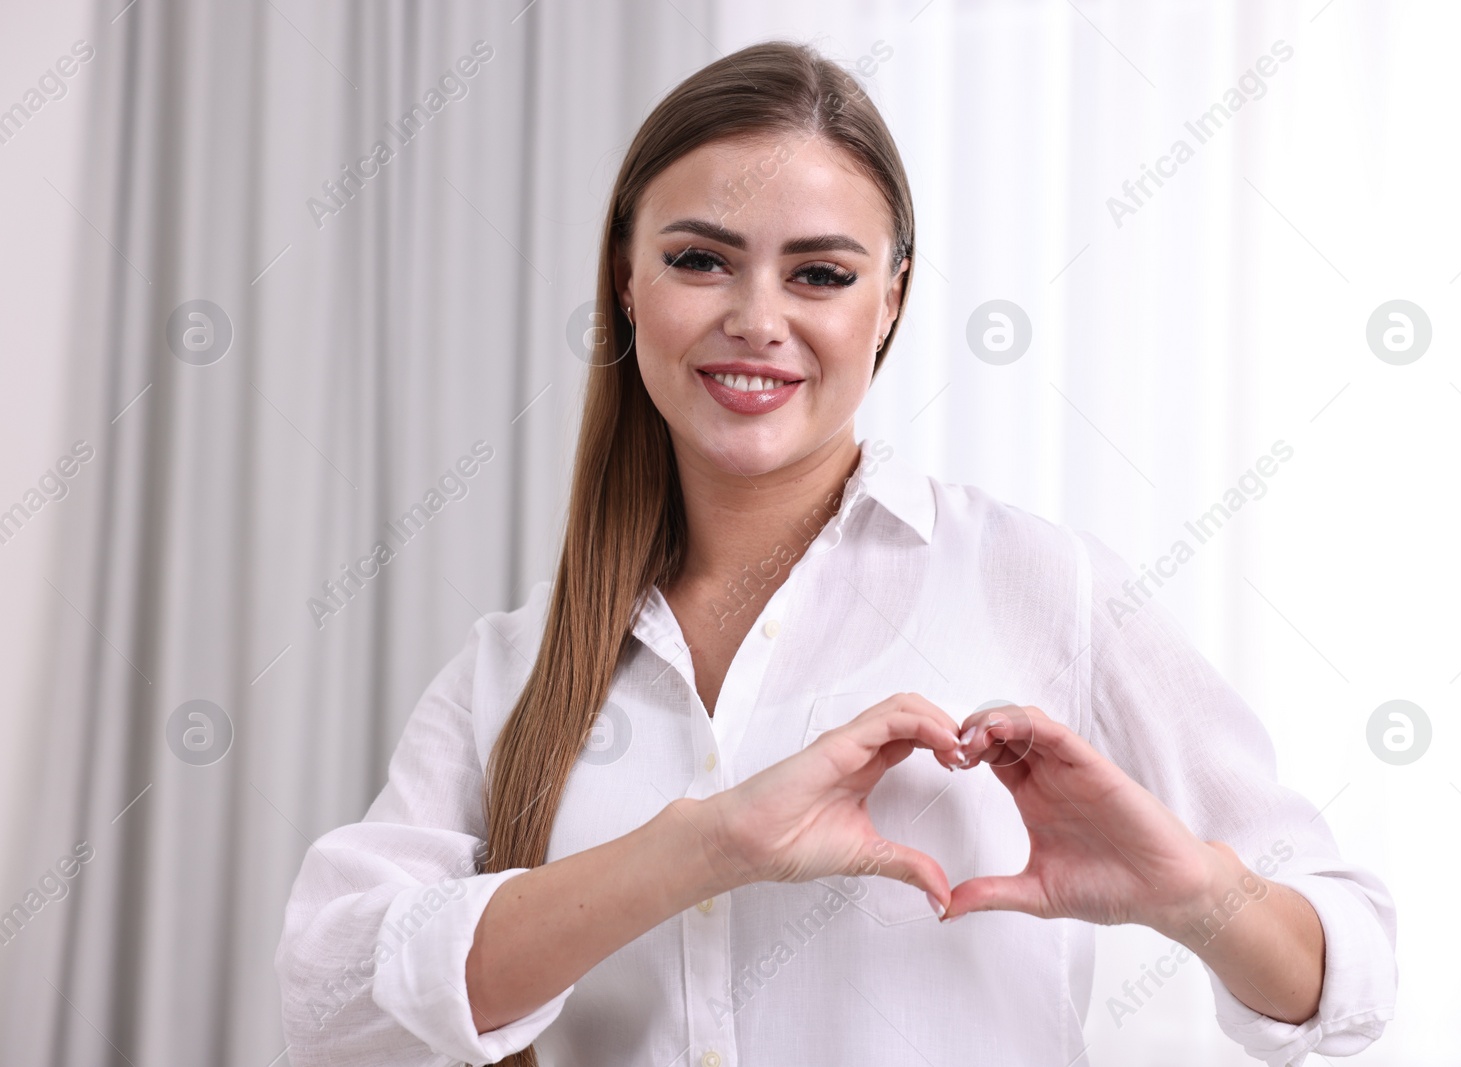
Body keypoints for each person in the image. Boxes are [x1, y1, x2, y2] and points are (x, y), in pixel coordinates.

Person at [275, 39, 1396, 1067]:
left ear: (890, 299)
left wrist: (1192, 894)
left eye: (820, 274)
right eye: (701, 259)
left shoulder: (1041, 584)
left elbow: (1351, 970)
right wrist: (704, 847)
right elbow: (327, 999)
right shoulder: (512, 668)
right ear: (627, 278)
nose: (758, 318)